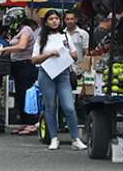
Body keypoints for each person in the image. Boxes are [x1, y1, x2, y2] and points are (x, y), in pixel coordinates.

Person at [30, 10, 87, 151]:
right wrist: (49, 54)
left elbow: (74, 54)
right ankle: (54, 138)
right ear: (46, 22)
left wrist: (71, 55)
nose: (54, 21)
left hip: (63, 74)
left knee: (69, 106)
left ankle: (75, 138)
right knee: (50, 106)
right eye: (51, 19)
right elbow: (34, 59)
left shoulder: (65, 35)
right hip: (46, 73)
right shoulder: (41, 38)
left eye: (56, 18)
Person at [0, 17, 38, 135]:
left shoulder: (26, 30)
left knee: (26, 94)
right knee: (20, 95)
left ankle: (31, 123)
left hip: (25, 65)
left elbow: (22, 46)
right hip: (18, 65)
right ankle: (25, 123)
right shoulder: (20, 32)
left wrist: (6, 48)